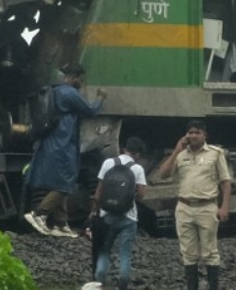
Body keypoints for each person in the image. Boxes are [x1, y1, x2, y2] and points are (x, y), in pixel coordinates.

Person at [24, 62, 106, 237]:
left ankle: (62, 223)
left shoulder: (55, 91)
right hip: (63, 144)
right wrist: (101, 98)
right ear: (75, 77)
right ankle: (39, 214)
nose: (81, 83)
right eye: (81, 79)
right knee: (65, 183)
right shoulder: (69, 93)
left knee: (59, 182)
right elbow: (90, 111)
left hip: (53, 142)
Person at [158, 120, 233, 290]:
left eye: (197, 132)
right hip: (184, 208)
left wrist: (224, 207)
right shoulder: (181, 155)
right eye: (190, 132)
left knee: (210, 252)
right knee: (188, 254)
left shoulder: (215, 153)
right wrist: (177, 150)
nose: (193, 136)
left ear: (205, 135)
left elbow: (226, 182)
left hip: (207, 207)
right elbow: (163, 174)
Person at [84, 136, 148, 290]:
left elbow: (98, 191)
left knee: (104, 250)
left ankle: (99, 280)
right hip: (129, 217)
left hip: (107, 216)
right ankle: (123, 283)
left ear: (124, 149)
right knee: (124, 252)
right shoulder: (137, 168)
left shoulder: (108, 163)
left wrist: (94, 211)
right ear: (138, 154)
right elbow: (141, 194)